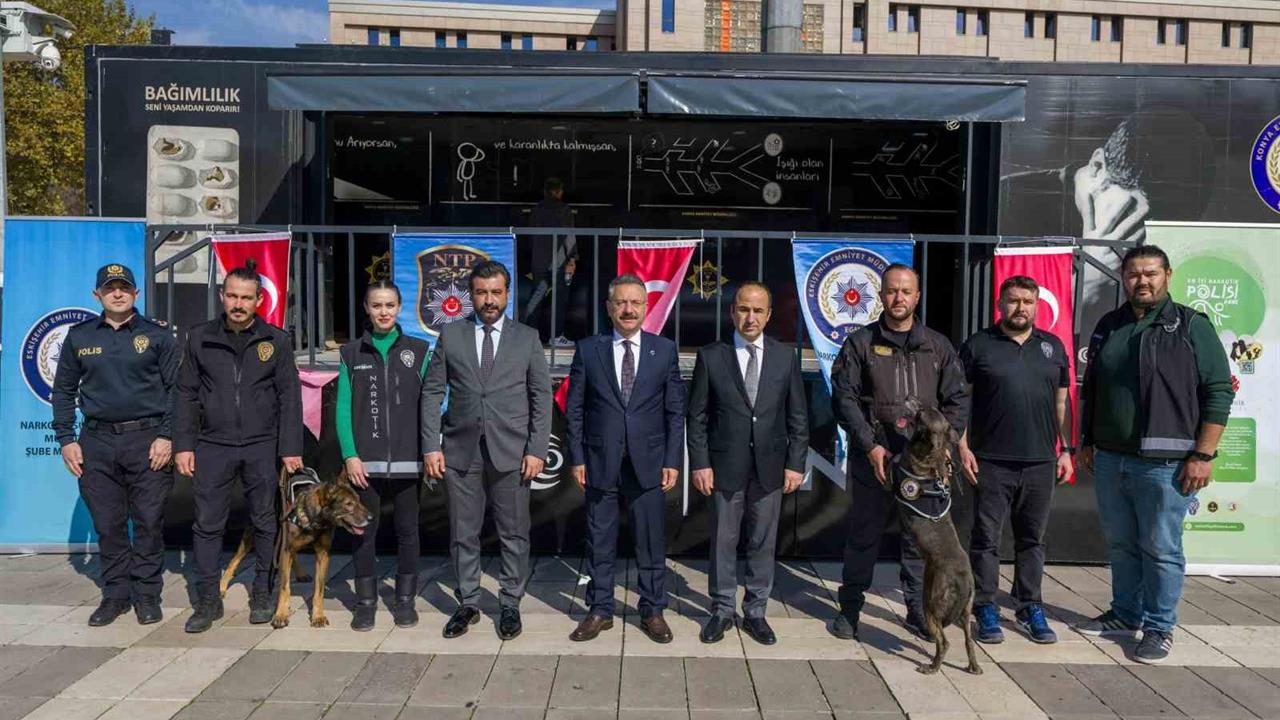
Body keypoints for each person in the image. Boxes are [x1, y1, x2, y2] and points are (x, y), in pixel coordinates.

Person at [1074, 245, 1233, 664]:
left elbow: (1218, 392)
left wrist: (1204, 455)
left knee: (1161, 547)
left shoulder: (1191, 326)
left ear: (1168, 275)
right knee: (1121, 543)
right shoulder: (1110, 325)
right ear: (1123, 279)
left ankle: (1160, 627)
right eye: (1133, 275)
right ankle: (1126, 614)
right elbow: (1094, 388)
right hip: (1111, 458)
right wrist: (1087, 441)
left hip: (1166, 463)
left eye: (1150, 273)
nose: (1141, 281)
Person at [828, 264, 969, 641]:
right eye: (892, 291)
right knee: (863, 536)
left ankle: (918, 612)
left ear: (917, 296)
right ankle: (850, 609)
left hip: (923, 468)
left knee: (917, 542)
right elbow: (843, 398)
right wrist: (869, 444)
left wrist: (945, 444)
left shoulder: (937, 346)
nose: (899, 298)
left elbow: (957, 401)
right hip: (876, 459)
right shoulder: (860, 343)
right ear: (881, 296)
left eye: (906, 291)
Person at [421, 260, 552, 641]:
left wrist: (537, 449)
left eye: (496, 292)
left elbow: (541, 396)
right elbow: (432, 392)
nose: (489, 300)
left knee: (514, 533)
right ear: (471, 295)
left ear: (508, 294)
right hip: (460, 450)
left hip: (512, 451)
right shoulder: (451, 335)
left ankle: (510, 603)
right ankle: (468, 602)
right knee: (463, 533)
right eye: (481, 293)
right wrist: (431, 445)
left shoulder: (527, 338)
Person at [175, 261, 303, 633]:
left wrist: (290, 448)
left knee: (265, 521)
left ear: (259, 300)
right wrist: (183, 444)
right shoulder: (199, 338)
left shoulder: (276, 340)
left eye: (246, 298)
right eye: (232, 296)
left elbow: (290, 398)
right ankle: (207, 599)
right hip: (212, 444)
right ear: (222, 296)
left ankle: (261, 591)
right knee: (207, 525)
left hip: (261, 445)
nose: (238, 304)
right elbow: (185, 395)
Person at [51, 264, 179, 627]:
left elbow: (178, 390)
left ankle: (147, 595)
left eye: (124, 287)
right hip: (97, 441)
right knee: (108, 524)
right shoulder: (79, 336)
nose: (118, 293)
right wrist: (66, 439)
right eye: (110, 289)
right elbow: (63, 391)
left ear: (136, 293)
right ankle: (116, 595)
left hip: (148, 440)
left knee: (149, 522)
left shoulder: (158, 336)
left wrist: (167, 435)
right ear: (97, 295)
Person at [687, 282, 808, 646]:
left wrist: (795, 463)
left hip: (771, 468)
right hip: (725, 467)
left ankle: (756, 611)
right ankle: (722, 609)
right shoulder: (712, 356)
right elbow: (697, 417)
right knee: (723, 541)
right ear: (732, 312)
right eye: (743, 309)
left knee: (762, 542)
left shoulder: (785, 357)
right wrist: (700, 463)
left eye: (758, 311)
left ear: (769, 315)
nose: (750, 317)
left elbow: (797, 417)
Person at [565, 274, 684, 644]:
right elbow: (575, 409)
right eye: (621, 302)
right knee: (599, 540)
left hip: (649, 462)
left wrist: (672, 459)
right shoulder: (589, 350)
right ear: (609, 307)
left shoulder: (664, 349)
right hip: (600, 461)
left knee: (650, 541)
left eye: (635, 302)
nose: (628, 309)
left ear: (646, 308)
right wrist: (577, 457)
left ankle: (653, 610)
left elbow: (674, 412)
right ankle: (600, 609)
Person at [958, 275, 1073, 646]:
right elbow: (960, 402)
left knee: (1032, 540)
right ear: (1000, 304)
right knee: (986, 538)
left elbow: (1062, 403)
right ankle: (985, 606)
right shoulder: (979, 345)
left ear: (1037, 305)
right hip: (991, 461)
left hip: (1040, 461)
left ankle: (1029, 606)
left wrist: (1067, 449)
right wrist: (962, 446)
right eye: (1013, 300)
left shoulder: (1053, 347)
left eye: (1027, 301)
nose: (1020, 307)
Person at [338, 280, 431, 631]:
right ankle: (365, 603)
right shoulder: (351, 353)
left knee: (408, 532)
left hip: (410, 460)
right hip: (365, 465)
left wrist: (429, 448)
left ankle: (405, 600)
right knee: (363, 532)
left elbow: (433, 403)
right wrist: (350, 456)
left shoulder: (420, 351)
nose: (383, 312)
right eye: (376, 305)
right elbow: (343, 409)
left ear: (400, 307)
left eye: (390, 305)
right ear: (366, 307)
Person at [524, 177, 577, 346]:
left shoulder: (536, 210)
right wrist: (572, 258)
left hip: (539, 260)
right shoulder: (564, 209)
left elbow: (529, 238)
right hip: (559, 261)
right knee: (559, 299)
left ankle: (530, 337)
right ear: (558, 191)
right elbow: (569, 237)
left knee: (536, 298)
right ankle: (556, 336)